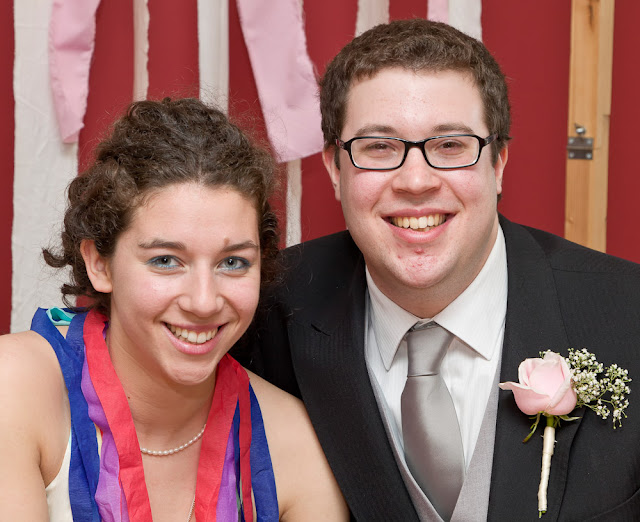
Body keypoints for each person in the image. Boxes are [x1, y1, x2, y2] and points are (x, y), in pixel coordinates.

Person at [238, 19, 640, 521]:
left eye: (450, 145)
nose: (415, 181)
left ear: (498, 163)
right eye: (378, 147)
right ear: (334, 170)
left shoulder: (629, 315)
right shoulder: (262, 311)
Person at [0, 98, 348, 521]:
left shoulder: (297, 447)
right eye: (166, 260)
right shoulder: (14, 388)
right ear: (100, 264)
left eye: (233, 262)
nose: (203, 302)